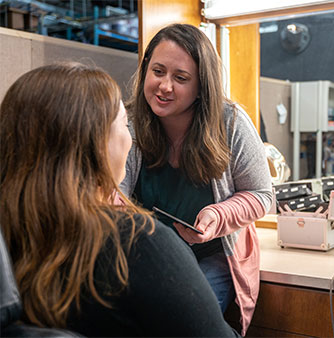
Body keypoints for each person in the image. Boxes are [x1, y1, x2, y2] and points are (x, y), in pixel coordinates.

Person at [1, 62, 235, 337]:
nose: (131, 138)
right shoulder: (141, 244)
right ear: (97, 144)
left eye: (181, 77)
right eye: (125, 124)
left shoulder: (9, 233)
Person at [120, 23, 276, 334]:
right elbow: (113, 198)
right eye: (158, 71)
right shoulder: (130, 122)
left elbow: (262, 195)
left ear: (202, 85)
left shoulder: (230, 123)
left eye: (180, 78)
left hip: (212, 255)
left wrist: (218, 215)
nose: (165, 86)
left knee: (182, 325)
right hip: (145, 256)